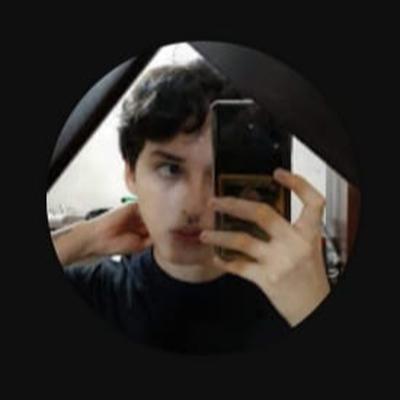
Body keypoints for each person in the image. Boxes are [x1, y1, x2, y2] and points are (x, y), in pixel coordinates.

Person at [51, 60, 330, 354]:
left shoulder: (291, 297)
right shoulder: (96, 294)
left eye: (216, 174)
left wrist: (313, 307)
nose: (195, 206)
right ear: (131, 174)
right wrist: (84, 238)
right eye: (170, 169)